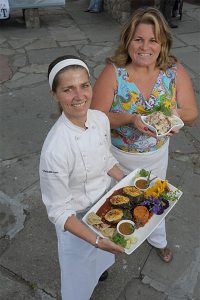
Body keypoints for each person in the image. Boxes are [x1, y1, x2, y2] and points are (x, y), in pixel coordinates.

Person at [91, 7, 198, 263]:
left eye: (153, 40)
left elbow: (192, 112)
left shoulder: (173, 71)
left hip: (156, 157)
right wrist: (129, 118)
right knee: (115, 204)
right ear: (128, 40)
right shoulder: (113, 72)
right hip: (117, 157)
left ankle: (157, 239)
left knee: (154, 201)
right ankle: (107, 252)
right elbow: (95, 118)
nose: (145, 46)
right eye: (138, 39)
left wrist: (176, 118)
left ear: (163, 44)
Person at [39, 55, 125, 300]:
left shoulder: (99, 119)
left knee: (101, 259)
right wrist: (97, 240)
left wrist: (130, 182)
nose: (79, 96)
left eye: (84, 85)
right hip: (76, 220)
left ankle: (100, 271)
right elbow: (58, 211)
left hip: (106, 207)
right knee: (77, 279)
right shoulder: (56, 149)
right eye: (68, 89)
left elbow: (106, 159)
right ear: (54, 95)